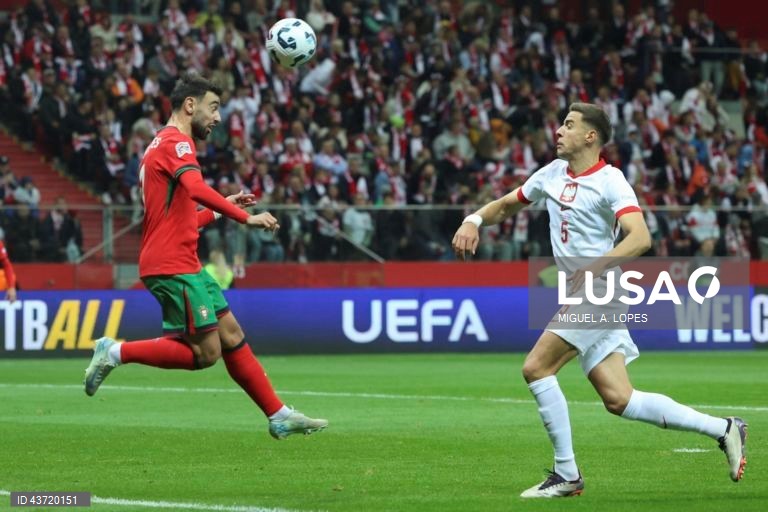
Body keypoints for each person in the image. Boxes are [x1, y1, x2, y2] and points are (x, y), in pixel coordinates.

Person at [452, 103, 747, 497]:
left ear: (590, 136)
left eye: (569, 125)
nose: (559, 131)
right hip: (586, 292)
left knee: (537, 368)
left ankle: (566, 474)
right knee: (619, 399)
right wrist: (472, 220)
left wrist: (595, 268)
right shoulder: (552, 173)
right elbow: (506, 205)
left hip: (600, 291)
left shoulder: (611, 181)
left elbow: (640, 238)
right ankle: (724, 428)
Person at [84, 73, 328, 440]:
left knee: (231, 335)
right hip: (172, 265)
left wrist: (220, 208)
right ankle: (115, 351)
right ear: (190, 105)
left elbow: (181, 220)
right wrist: (244, 217)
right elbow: (196, 188)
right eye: (213, 108)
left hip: (184, 261)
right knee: (206, 354)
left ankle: (278, 415)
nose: (217, 117)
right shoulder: (176, 143)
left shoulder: (159, 145)